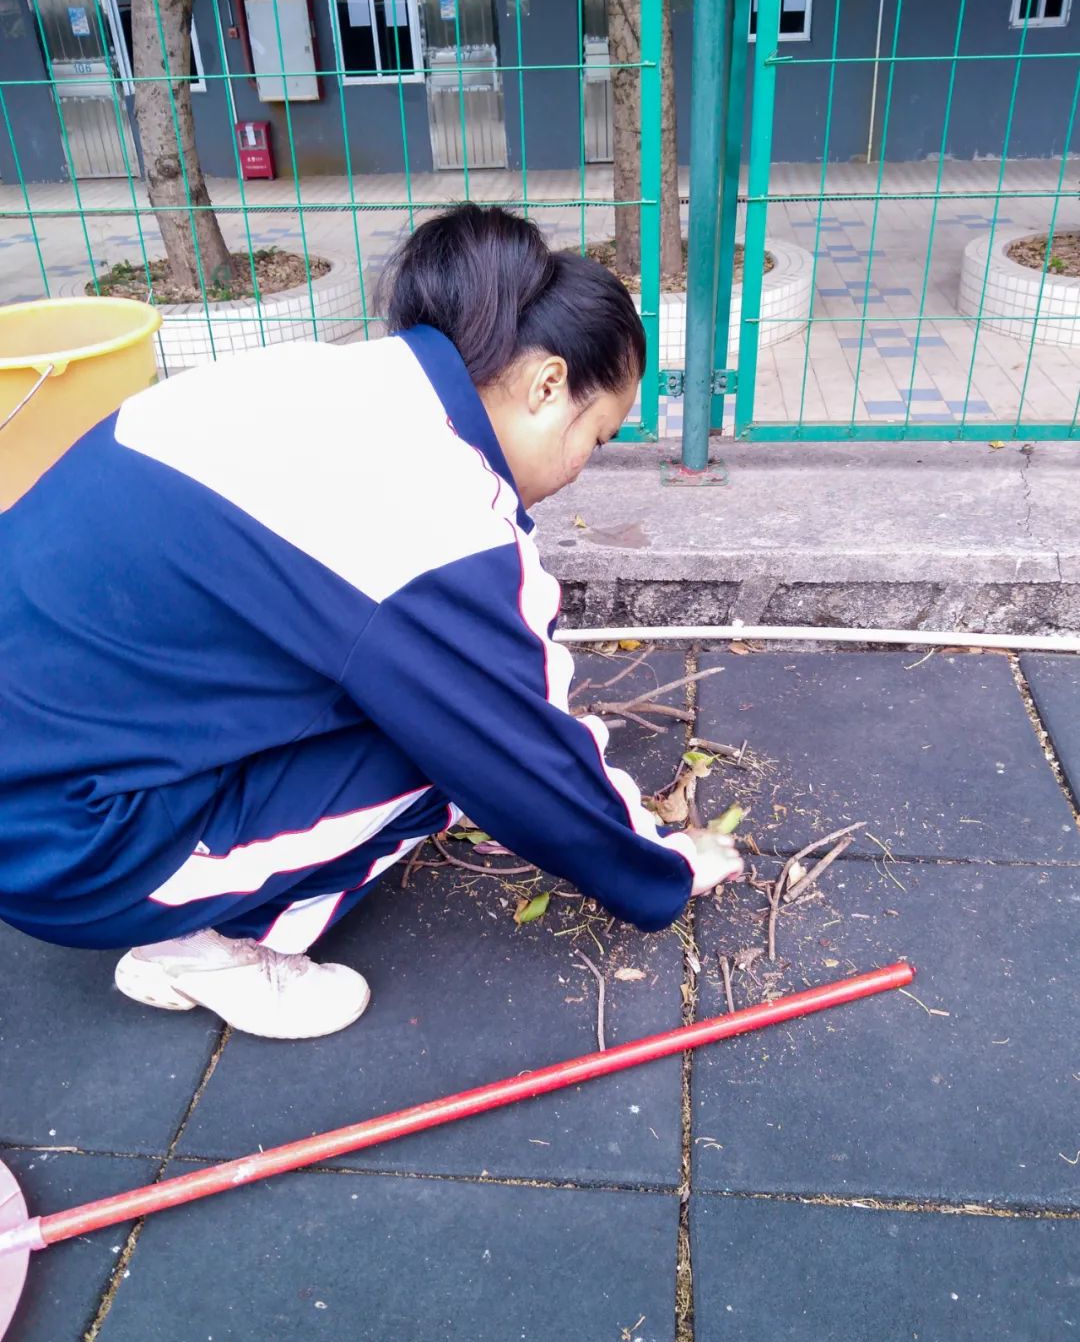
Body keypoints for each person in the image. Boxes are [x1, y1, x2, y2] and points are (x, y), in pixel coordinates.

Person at [0, 205, 742, 1039]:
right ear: (546, 385)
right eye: (596, 438)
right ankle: (213, 948)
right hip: (60, 846)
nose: (581, 469)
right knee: (445, 745)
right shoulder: (444, 514)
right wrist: (662, 865)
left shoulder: (323, 380)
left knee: (414, 690)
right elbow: (520, 754)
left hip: (45, 754)